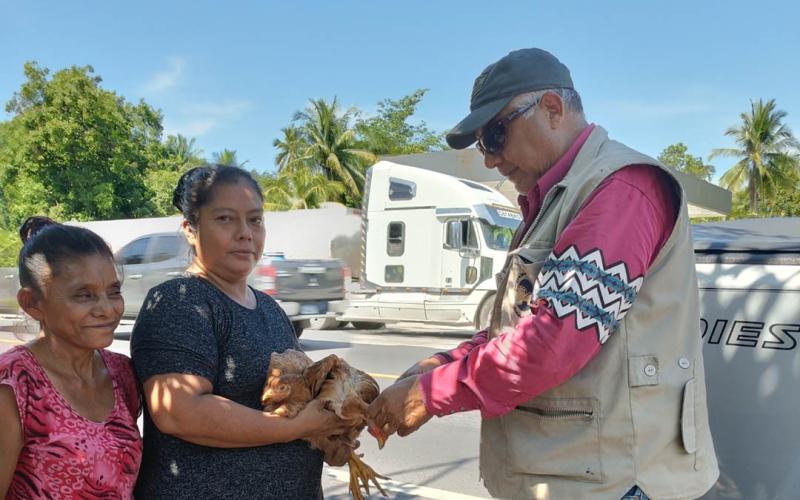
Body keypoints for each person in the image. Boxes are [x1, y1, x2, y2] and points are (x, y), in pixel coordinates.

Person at [366, 48, 720, 499]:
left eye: (496, 134)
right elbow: (518, 327)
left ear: (552, 108)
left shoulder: (620, 189)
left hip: (619, 484)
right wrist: (441, 364)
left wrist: (429, 394)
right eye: (482, 144)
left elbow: (553, 342)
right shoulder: (557, 200)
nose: (490, 159)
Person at [130, 165, 352, 499]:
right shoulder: (180, 302)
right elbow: (180, 412)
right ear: (190, 228)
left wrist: (326, 438)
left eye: (255, 219)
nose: (245, 233)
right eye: (225, 219)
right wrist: (297, 427)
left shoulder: (270, 308)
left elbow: (292, 401)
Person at [0, 216, 142, 498]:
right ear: (32, 303)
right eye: (84, 295)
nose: (107, 309)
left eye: (113, 291)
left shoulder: (122, 372)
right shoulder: (14, 384)